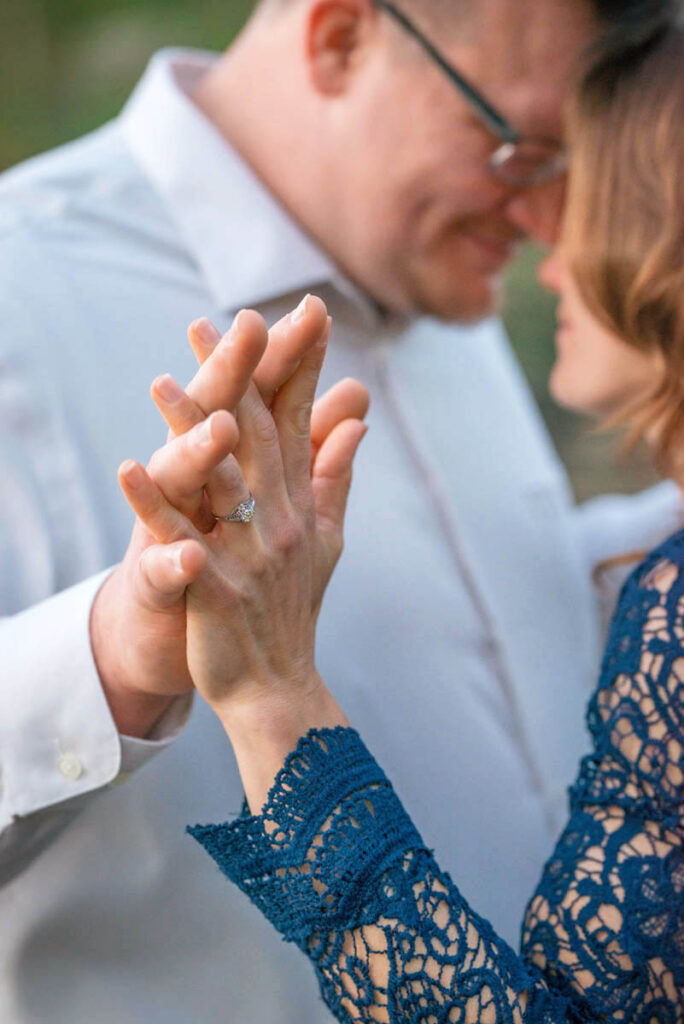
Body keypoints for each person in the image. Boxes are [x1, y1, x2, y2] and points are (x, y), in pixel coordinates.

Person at [0, 1, 681, 1021]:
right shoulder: (21, 293)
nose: (553, 219)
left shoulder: (448, 280)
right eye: (520, 152)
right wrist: (115, 661)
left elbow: (488, 611)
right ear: (339, 37)